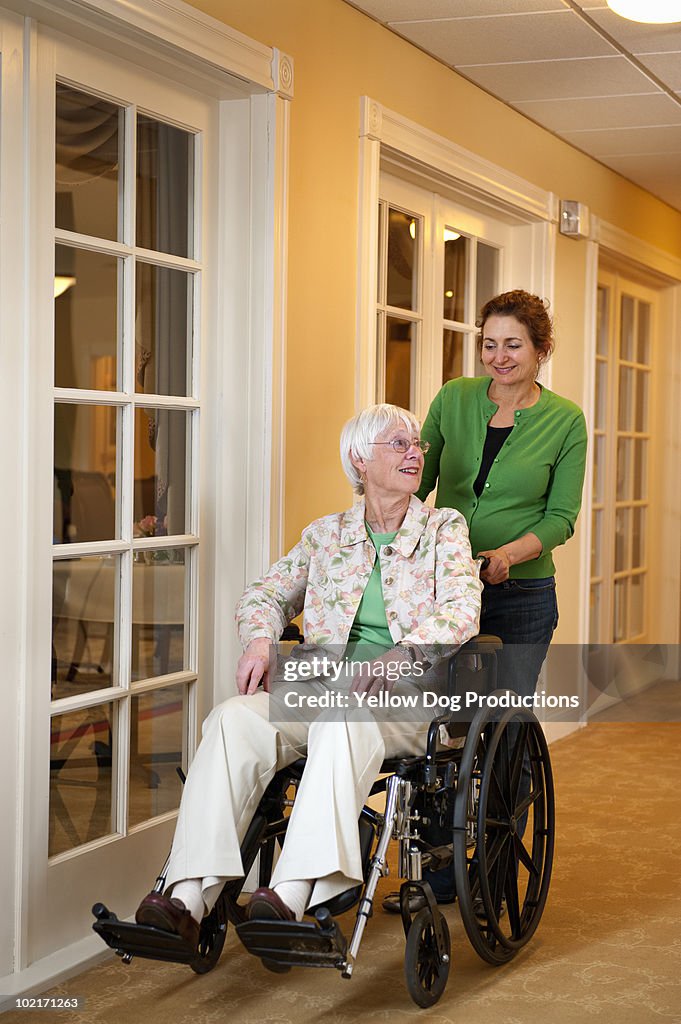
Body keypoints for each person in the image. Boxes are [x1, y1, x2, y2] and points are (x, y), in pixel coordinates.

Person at [134, 404, 481, 942]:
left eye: (418, 445)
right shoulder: (325, 536)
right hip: (318, 687)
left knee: (342, 720)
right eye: (398, 443)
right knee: (231, 721)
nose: (415, 453)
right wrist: (259, 639)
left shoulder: (442, 529)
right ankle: (187, 897)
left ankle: (293, 892)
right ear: (358, 461)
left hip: (405, 698)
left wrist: (403, 653)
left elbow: (462, 609)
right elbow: (266, 592)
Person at [385, 289, 587, 909]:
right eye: (489, 343)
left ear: (542, 351)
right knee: (443, 733)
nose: (498, 357)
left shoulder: (566, 420)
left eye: (513, 345)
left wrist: (506, 556)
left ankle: (495, 865)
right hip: (446, 593)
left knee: (501, 731)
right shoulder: (454, 399)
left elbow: (562, 517)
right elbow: (419, 478)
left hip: (519, 596)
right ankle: (443, 867)